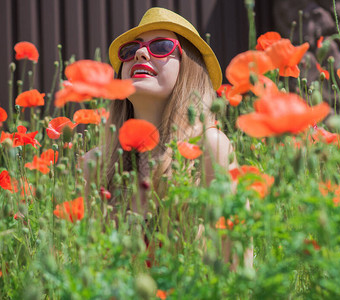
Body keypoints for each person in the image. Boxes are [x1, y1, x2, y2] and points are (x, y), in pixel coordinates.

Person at [83, 7, 236, 209]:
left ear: (189, 69)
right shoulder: (94, 164)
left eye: (161, 46)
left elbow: (233, 238)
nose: (139, 53)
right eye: (129, 50)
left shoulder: (210, 149)